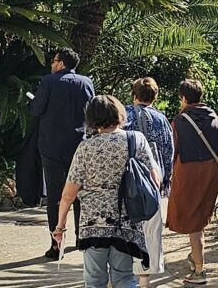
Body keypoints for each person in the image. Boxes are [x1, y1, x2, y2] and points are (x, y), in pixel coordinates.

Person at [53, 95, 160, 288]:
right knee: (124, 277)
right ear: (118, 113)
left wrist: (60, 227)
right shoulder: (136, 140)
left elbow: (68, 194)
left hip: (93, 223)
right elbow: (155, 180)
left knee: (94, 280)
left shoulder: (86, 147)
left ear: (92, 118)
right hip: (126, 221)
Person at [30, 47, 95, 258]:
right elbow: (92, 113)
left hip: (51, 146)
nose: (51, 64)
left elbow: (37, 110)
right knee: (78, 194)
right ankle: (80, 238)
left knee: (56, 196)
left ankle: (56, 244)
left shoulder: (49, 81)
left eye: (53, 61)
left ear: (61, 63)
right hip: (78, 146)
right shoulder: (86, 83)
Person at [167, 79, 218, 285]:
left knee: (193, 223)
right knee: (200, 219)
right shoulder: (213, 116)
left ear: (183, 98)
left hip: (188, 172)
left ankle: (200, 270)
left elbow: (173, 150)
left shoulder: (180, 120)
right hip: (210, 172)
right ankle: (195, 257)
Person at [123, 77, 174, 288]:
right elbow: (168, 151)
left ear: (134, 95)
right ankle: (144, 278)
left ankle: (121, 274)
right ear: (155, 96)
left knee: (125, 227)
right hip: (153, 180)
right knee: (151, 230)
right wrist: (166, 179)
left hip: (126, 180)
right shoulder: (160, 119)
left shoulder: (122, 114)